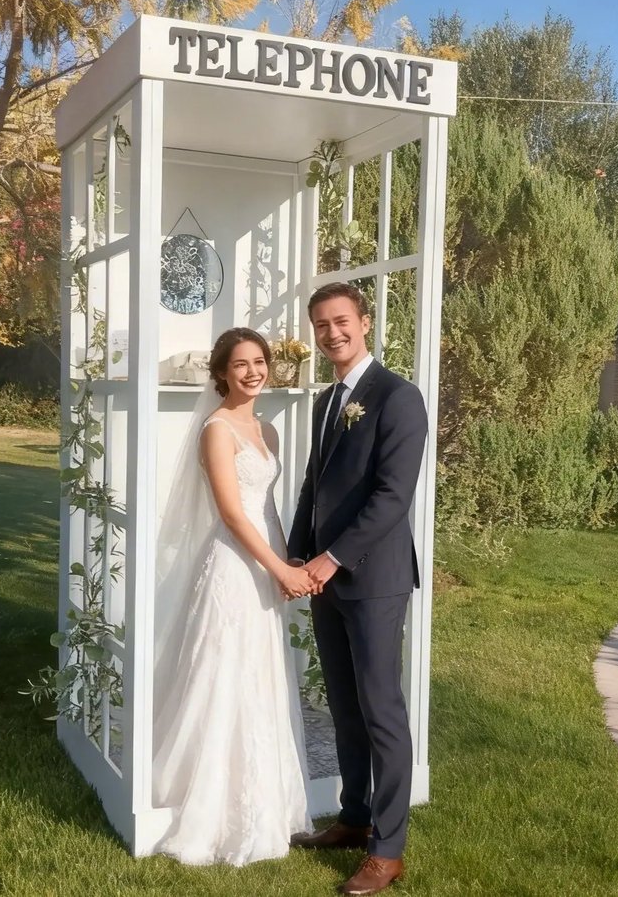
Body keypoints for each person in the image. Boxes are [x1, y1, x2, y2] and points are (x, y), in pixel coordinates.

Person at [150, 328, 314, 866]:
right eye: (240, 364)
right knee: (224, 673)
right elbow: (232, 513)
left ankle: (266, 792)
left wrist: (288, 562)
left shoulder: (265, 427)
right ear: (221, 372)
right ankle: (211, 805)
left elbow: (266, 507)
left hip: (265, 563)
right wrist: (276, 569)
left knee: (260, 673)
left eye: (260, 361)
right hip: (232, 567)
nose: (252, 371)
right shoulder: (217, 429)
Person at [287, 282, 428, 897]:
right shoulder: (326, 400)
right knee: (342, 707)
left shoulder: (399, 397)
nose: (331, 333)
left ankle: (387, 850)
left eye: (341, 321)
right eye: (321, 325)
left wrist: (330, 558)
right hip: (323, 579)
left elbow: (393, 498)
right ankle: (352, 817)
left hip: (371, 579)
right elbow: (315, 486)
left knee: (381, 713)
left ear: (365, 323)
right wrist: (298, 554)